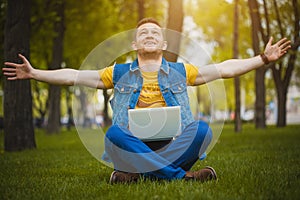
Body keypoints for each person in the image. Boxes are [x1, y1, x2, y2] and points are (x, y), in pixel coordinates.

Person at [3, 18, 291, 184]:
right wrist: (34, 73)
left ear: (164, 44)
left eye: (155, 33)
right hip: (131, 146)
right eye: (144, 33)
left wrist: (263, 59)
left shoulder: (182, 71)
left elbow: (225, 69)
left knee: (202, 130)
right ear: (135, 45)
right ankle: (183, 177)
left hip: (171, 146)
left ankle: (137, 175)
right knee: (115, 133)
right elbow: (74, 76)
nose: (150, 35)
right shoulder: (116, 73)